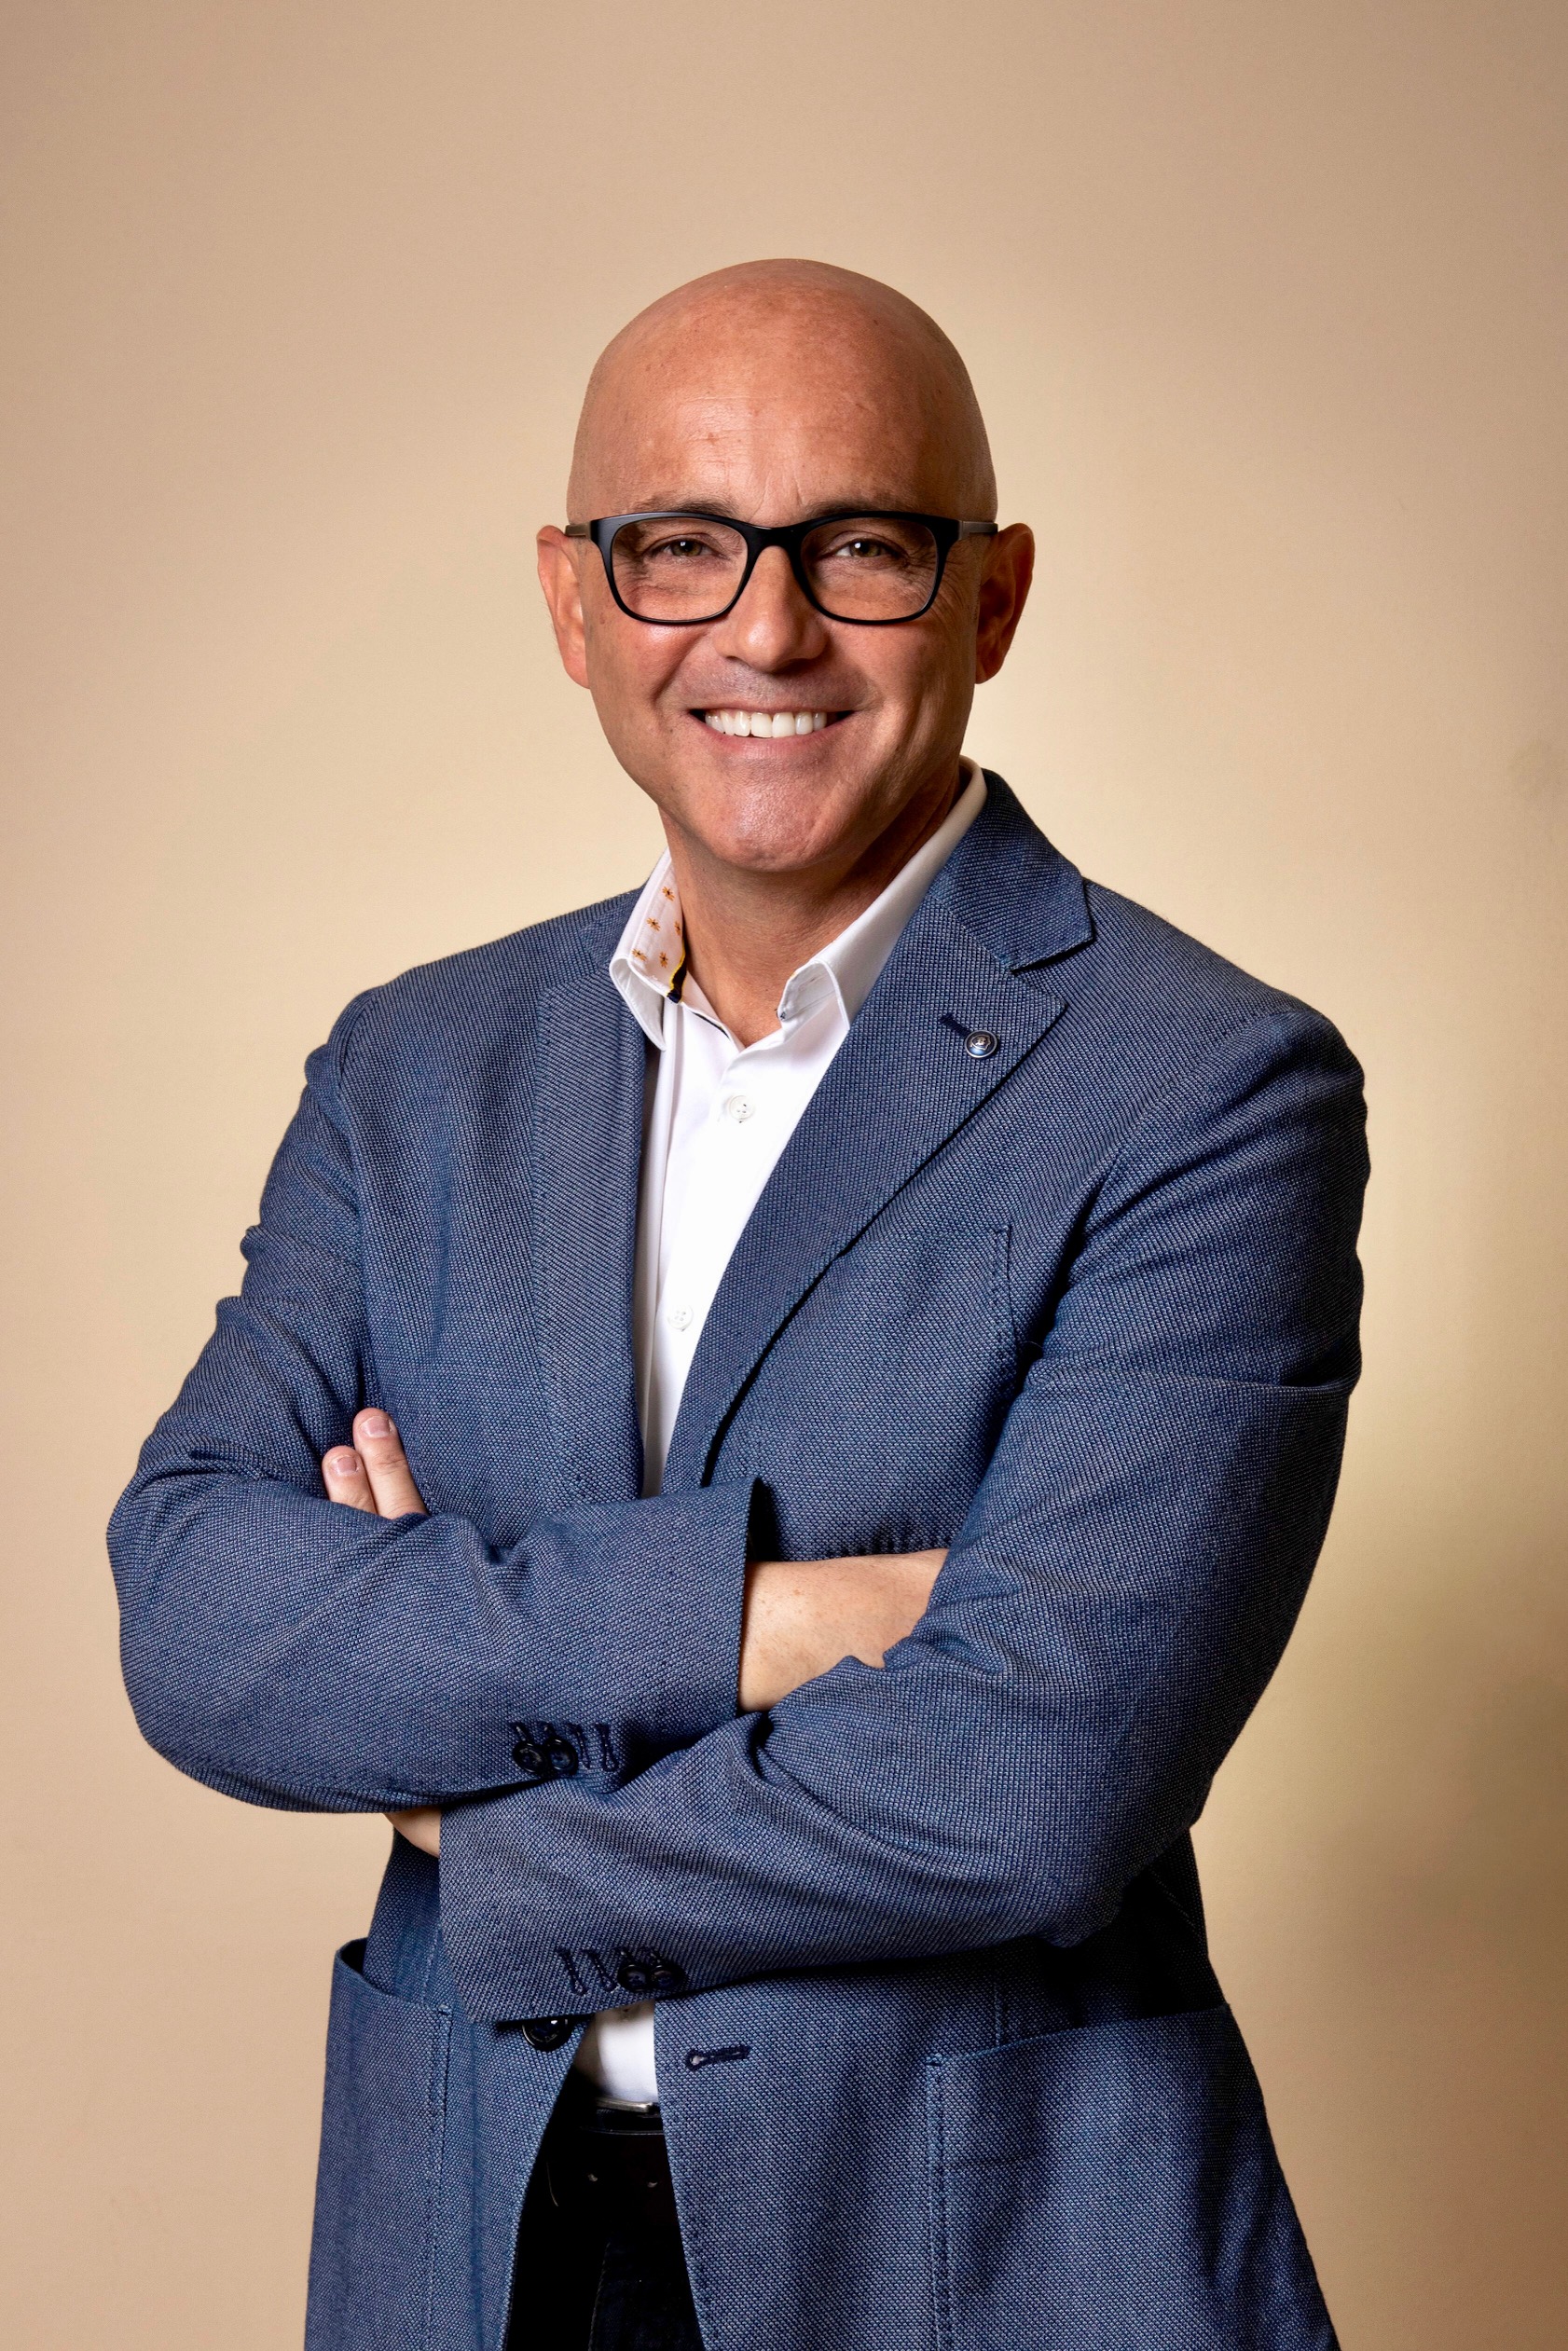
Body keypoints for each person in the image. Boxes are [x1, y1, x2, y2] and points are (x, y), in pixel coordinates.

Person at [109, 258, 1367, 2351]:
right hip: (468, 2248)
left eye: (859, 546)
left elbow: (1035, 1785)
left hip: (966, 2266)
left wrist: (481, 1825)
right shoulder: (412, 1069)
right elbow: (201, 1617)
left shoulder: (1210, 1083)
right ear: (571, 599)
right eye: (680, 546)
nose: (766, 631)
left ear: (991, 598)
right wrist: (764, 1621)